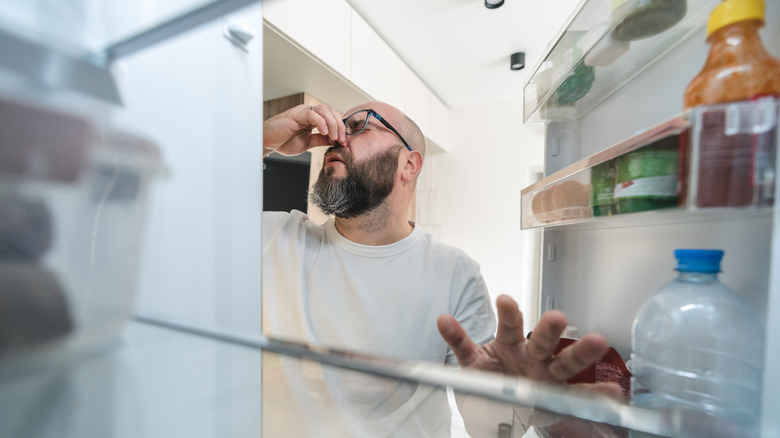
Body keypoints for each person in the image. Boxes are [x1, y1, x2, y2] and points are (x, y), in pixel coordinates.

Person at [261, 101, 617, 437]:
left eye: (359, 126)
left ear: (409, 164)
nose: (337, 137)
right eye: (338, 128)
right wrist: (262, 139)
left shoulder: (455, 273)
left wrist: (515, 399)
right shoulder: (276, 238)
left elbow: (486, 423)